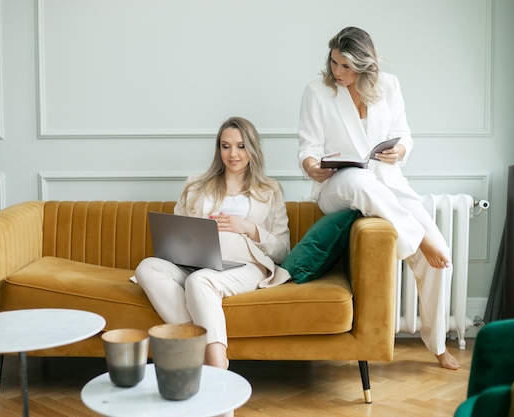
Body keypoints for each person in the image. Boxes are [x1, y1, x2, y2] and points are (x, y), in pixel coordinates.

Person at [297, 26, 460, 370]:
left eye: (346, 66)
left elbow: (404, 135)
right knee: (358, 180)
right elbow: (308, 147)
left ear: (365, 65)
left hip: (388, 184)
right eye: (334, 63)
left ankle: (437, 344)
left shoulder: (389, 86)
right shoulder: (317, 91)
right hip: (338, 186)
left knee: (441, 257)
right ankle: (418, 242)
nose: (338, 72)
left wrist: (399, 150)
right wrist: (312, 167)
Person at [135, 116, 291, 374]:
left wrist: (248, 228)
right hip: (196, 262)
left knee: (201, 282)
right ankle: (199, 345)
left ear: (252, 149)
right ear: (218, 149)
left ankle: (217, 370)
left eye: (241, 146)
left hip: (245, 267)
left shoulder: (269, 189)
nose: (233, 154)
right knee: (147, 268)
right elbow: (178, 231)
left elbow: (283, 250)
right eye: (225, 145)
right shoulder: (195, 184)